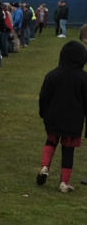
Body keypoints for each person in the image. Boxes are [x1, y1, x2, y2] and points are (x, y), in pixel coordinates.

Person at [37, 42, 87, 193]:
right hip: (73, 120)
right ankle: (64, 182)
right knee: (68, 149)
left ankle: (44, 167)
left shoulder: (52, 75)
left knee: (50, 141)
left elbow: (43, 96)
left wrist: (42, 113)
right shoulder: (84, 78)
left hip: (53, 117)